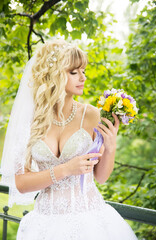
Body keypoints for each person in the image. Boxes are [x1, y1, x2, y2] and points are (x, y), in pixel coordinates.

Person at [1, 39, 138, 240]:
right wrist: (66, 169)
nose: (82, 77)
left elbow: (100, 177)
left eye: (83, 71)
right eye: (74, 72)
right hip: (44, 222)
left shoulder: (91, 115)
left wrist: (110, 146)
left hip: (90, 219)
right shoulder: (31, 120)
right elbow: (21, 183)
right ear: (54, 75)